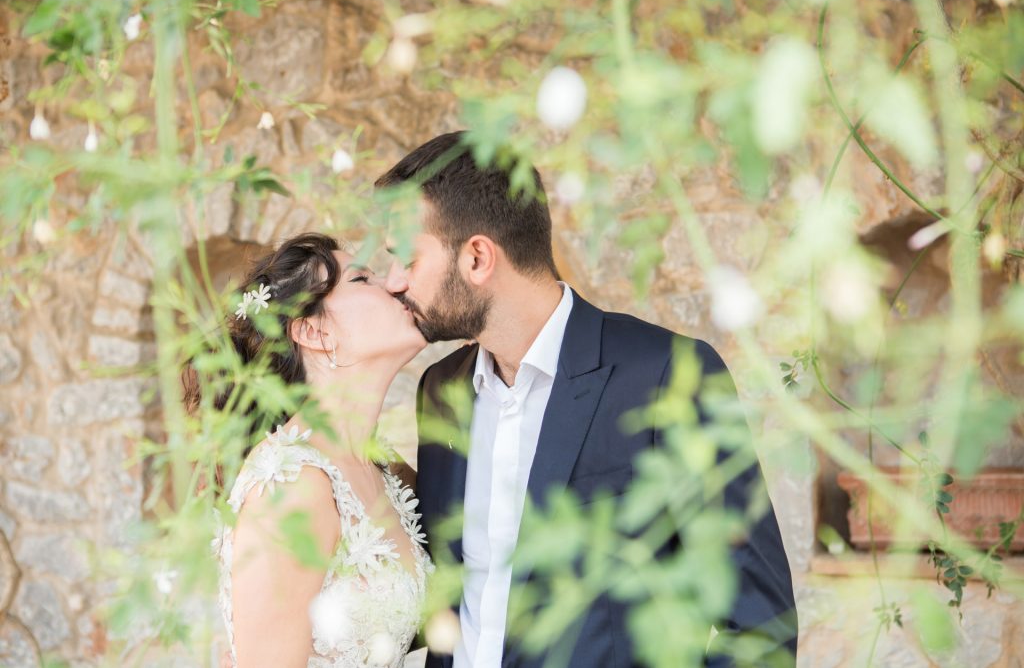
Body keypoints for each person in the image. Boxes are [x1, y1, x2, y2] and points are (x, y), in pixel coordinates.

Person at [375, 132, 798, 667]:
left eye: (406, 258)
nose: (393, 282)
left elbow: (759, 622)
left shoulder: (666, 376)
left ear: (478, 257)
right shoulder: (441, 390)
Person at [189, 233, 433, 667]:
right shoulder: (290, 485)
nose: (393, 284)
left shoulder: (387, 470)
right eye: (362, 279)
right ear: (313, 330)